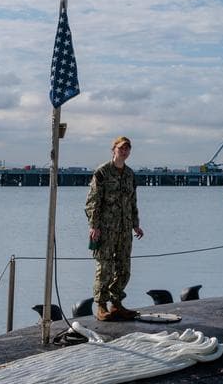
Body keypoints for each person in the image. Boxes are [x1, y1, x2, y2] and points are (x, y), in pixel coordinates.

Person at [85, 135, 144, 321]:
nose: (124, 151)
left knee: (124, 268)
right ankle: (101, 305)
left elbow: (132, 201)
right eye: (121, 148)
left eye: (127, 149)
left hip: (125, 229)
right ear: (114, 150)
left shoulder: (129, 174)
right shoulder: (102, 172)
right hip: (106, 229)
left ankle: (116, 303)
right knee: (105, 268)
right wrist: (94, 225)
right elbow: (92, 202)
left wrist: (136, 224)